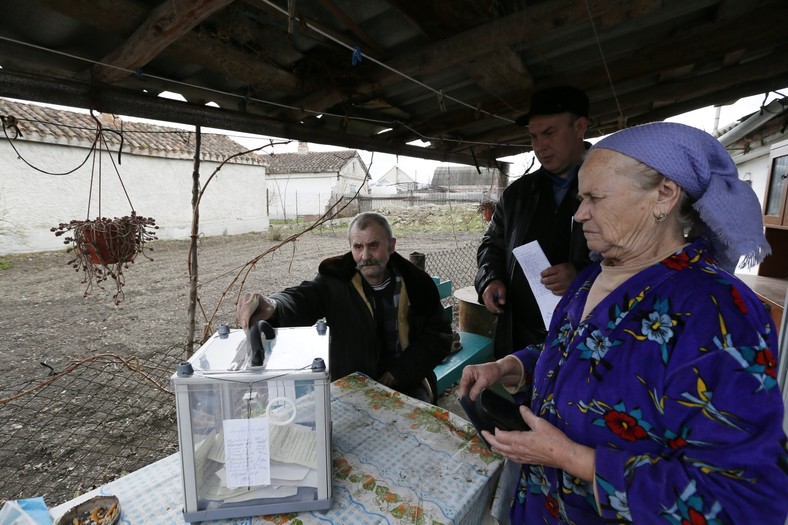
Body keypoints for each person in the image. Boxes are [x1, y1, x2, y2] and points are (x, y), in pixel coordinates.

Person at [461, 122, 788, 524]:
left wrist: (572, 459)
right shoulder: (593, 276)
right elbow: (576, 350)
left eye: (595, 197)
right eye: (581, 197)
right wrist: (513, 365)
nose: (580, 214)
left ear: (664, 196)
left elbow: (744, 499)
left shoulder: (718, 311)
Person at [235, 212, 452, 403]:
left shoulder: (416, 284)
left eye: (373, 245)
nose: (365, 256)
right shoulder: (336, 280)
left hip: (407, 382)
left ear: (391, 245)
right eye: (358, 247)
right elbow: (302, 298)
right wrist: (273, 306)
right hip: (350, 384)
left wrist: (399, 372)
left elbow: (438, 337)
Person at [476, 85, 592, 359]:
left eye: (549, 133)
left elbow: (634, 259)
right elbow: (492, 244)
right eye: (533, 137)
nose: (540, 146)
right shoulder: (518, 194)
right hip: (521, 336)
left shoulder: (610, 187)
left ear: (580, 127)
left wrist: (582, 275)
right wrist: (490, 279)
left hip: (586, 335)